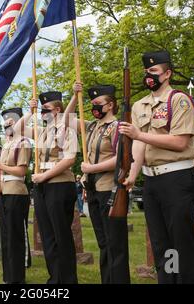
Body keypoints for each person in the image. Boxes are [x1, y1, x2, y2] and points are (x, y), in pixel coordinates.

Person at [119, 50, 194, 284]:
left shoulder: (179, 99)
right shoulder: (139, 105)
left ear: (167, 74)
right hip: (152, 181)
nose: (149, 75)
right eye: (146, 71)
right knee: (161, 244)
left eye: (154, 71)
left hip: (177, 178)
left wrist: (139, 135)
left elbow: (179, 141)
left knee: (181, 243)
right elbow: (138, 144)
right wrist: (132, 176)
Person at [65, 83, 130, 284]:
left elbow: (121, 159)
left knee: (115, 243)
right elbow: (65, 119)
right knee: (103, 243)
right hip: (92, 191)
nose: (94, 107)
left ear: (110, 105)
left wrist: (91, 169)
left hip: (109, 190)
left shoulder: (118, 127)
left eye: (98, 103)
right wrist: (75, 96)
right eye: (91, 103)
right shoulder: (91, 126)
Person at [15, 91, 78, 284]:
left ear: (57, 110)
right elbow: (15, 130)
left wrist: (44, 176)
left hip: (59, 184)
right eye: (41, 110)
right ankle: (55, 279)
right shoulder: (42, 131)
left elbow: (69, 159)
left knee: (61, 235)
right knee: (48, 237)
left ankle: (67, 280)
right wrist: (29, 111)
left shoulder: (66, 128)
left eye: (46, 109)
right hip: (42, 185)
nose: (42, 113)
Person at [0, 107, 32, 284]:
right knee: (6, 236)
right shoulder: (7, 143)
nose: (7, 124)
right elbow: (2, 172)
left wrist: (0, 166)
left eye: (11, 121)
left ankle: (17, 278)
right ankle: (8, 277)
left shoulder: (23, 142)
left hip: (16, 191)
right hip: (5, 191)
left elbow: (21, 170)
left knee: (15, 236)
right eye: (5, 121)